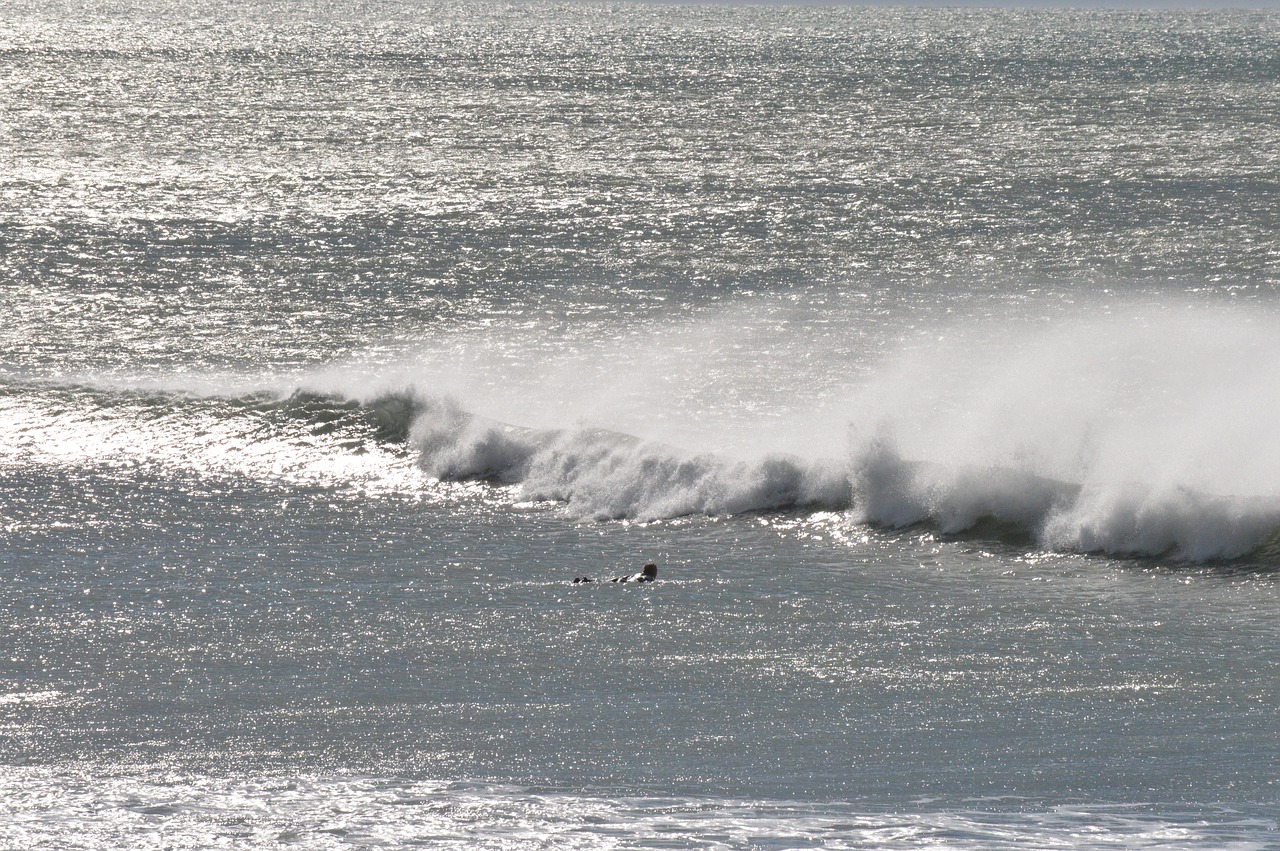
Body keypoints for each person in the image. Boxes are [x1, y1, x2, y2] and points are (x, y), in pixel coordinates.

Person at [573, 563, 657, 584]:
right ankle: (585, 581)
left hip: (622, 579)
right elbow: (642, 579)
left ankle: (587, 581)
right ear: (653, 571)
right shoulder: (649, 577)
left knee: (605, 582)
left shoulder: (636, 573)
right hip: (627, 582)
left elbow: (622, 577)